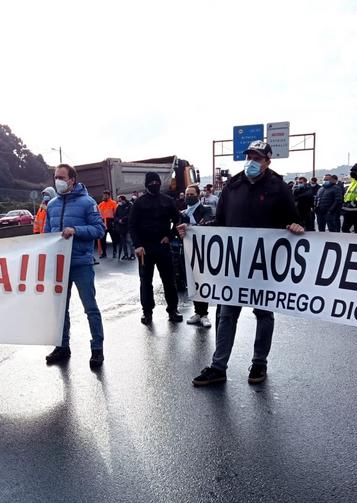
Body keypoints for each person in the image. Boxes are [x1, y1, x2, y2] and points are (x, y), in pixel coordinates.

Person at [178, 141, 304, 387]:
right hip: (234, 267)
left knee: (263, 314)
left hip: (263, 266)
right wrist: (193, 231)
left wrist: (295, 226)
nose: (252, 162)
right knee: (227, 315)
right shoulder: (233, 186)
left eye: (257, 158)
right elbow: (220, 223)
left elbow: (293, 220)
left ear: (267, 161)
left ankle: (259, 362)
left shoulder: (278, 187)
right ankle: (218, 366)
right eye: (249, 157)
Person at [44, 164, 106, 368]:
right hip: (60, 265)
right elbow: (46, 235)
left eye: (61, 177)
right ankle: (62, 346)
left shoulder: (88, 202)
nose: (57, 180)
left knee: (90, 308)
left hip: (81, 264)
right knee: (60, 309)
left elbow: (99, 229)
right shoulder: (51, 205)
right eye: (55, 177)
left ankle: (97, 348)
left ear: (72, 179)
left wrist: (76, 230)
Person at [129, 172, 183, 325]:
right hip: (144, 249)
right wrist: (137, 245)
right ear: (146, 185)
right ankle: (147, 312)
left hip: (163, 246)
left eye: (156, 182)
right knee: (146, 282)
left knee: (169, 280)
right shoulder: (138, 203)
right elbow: (132, 226)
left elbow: (177, 219)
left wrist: (170, 236)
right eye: (151, 183)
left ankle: (173, 309)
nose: (154, 185)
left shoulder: (168, 201)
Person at [181, 185, 214, 328]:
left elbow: (206, 224)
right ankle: (197, 312)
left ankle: (204, 314)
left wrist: (189, 224)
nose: (188, 196)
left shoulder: (206, 210)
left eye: (191, 194)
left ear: (198, 195)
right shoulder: (182, 212)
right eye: (187, 194)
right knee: (192, 282)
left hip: (202, 251)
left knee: (202, 281)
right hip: (187, 252)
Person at [97, 190, 118, 258]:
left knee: (113, 238)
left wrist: (114, 222)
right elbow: (98, 214)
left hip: (110, 222)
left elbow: (116, 213)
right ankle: (104, 253)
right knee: (103, 238)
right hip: (103, 222)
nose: (104, 197)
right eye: (104, 195)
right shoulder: (101, 204)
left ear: (109, 196)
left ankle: (115, 251)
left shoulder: (113, 203)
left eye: (106, 195)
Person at [114, 194, 134, 260]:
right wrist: (118, 220)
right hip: (121, 227)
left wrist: (123, 219)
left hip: (127, 226)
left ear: (123, 200)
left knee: (129, 241)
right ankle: (125, 255)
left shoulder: (129, 205)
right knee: (123, 242)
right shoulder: (119, 207)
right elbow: (115, 216)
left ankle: (132, 254)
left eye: (119, 200)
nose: (118, 202)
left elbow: (130, 215)